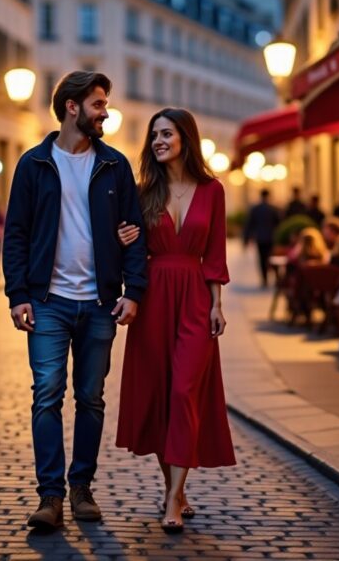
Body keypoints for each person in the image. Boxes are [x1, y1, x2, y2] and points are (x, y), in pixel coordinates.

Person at [3, 71, 147, 531]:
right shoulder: (34, 164)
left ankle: (81, 487)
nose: (105, 113)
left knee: (91, 398)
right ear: (72, 107)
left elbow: (136, 233)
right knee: (46, 396)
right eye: (99, 105)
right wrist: (17, 294)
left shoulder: (115, 165)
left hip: (101, 302)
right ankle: (50, 497)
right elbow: (16, 235)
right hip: (48, 301)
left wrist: (134, 291)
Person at [114, 108, 235, 534]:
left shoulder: (212, 190)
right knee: (164, 396)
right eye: (154, 136)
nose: (158, 141)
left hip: (195, 301)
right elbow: (127, 250)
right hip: (153, 299)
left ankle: (171, 499)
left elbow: (215, 253)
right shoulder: (143, 191)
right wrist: (124, 239)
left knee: (184, 390)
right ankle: (177, 490)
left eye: (166, 133)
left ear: (185, 136)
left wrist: (216, 304)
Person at [243, 189, 281, 288]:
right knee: (272, 258)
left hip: (260, 238)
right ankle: (276, 277)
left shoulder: (256, 209)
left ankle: (265, 279)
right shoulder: (273, 209)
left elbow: (250, 224)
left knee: (262, 259)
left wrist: (246, 239)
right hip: (271, 238)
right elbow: (279, 224)